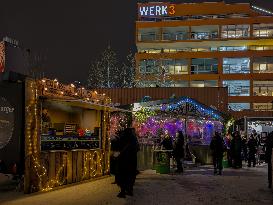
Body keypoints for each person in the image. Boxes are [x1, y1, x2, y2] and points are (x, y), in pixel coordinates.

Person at [116, 128, 139, 198]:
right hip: (132, 160)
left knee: (123, 175)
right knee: (131, 175)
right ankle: (130, 190)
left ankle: (123, 191)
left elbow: (118, 148)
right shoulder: (134, 139)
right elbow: (137, 148)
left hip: (123, 160)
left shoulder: (122, 138)